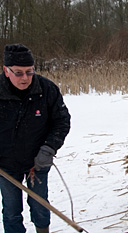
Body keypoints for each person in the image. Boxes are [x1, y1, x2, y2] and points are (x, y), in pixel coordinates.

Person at [0, 44, 71, 233]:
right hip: (6, 164)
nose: (25, 78)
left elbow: (62, 122)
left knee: (40, 205)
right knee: (11, 210)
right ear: (6, 71)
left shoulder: (46, 90)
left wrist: (48, 149)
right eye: (18, 73)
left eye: (29, 72)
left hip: (38, 162)